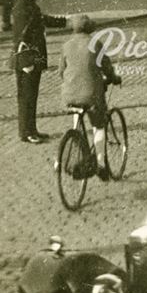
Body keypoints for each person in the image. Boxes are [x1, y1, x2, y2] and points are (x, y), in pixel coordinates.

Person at [58, 15, 122, 177]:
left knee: (77, 119)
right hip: (91, 94)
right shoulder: (95, 44)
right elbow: (106, 67)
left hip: (70, 95)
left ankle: (76, 139)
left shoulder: (66, 45)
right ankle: (101, 165)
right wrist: (113, 78)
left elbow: (61, 71)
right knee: (99, 126)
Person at [12, 0, 68, 143]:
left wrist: (65, 21)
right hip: (27, 60)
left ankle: (31, 129)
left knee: (31, 95)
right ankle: (26, 132)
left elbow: (43, 20)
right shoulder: (23, 7)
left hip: (32, 59)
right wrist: (27, 62)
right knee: (27, 96)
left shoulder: (29, 4)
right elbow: (21, 38)